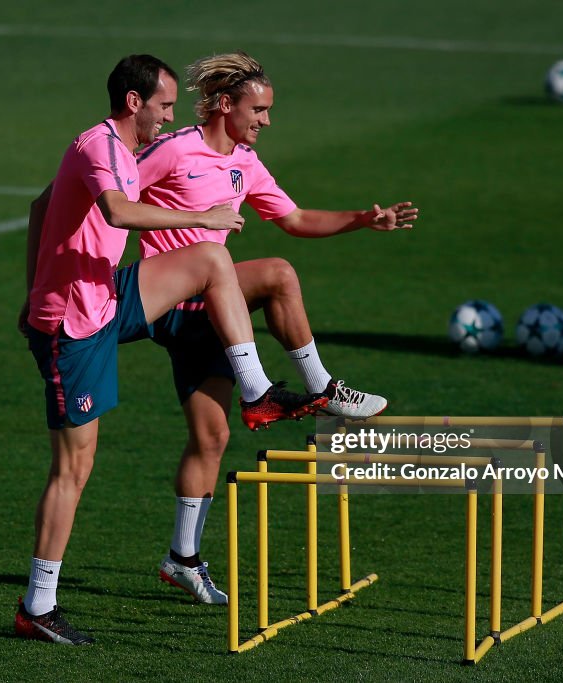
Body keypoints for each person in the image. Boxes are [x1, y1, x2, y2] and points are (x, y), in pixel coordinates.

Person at [13, 55, 327, 646]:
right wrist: (199, 214)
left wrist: (32, 285)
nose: (170, 117)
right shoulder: (96, 146)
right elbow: (119, 213)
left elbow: (38, 208)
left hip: (107, 297)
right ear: (135, 103)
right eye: (163, 106)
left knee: (213, 261)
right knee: (73, 469)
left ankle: (257, 389)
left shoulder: (126, 154)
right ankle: (38, 605)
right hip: (73, 325)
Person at [135, 52, 419, 604]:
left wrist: (363, 219)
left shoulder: (245, 161)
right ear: (225, 105)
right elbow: (114, 201)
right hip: (173, 302)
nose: (265, 121)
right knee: (277, 275)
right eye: (258, 110)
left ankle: (182, 559)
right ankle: (321, 387)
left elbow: (293, 220)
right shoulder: (172, 150)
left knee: (211, 438)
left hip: (217, 311)